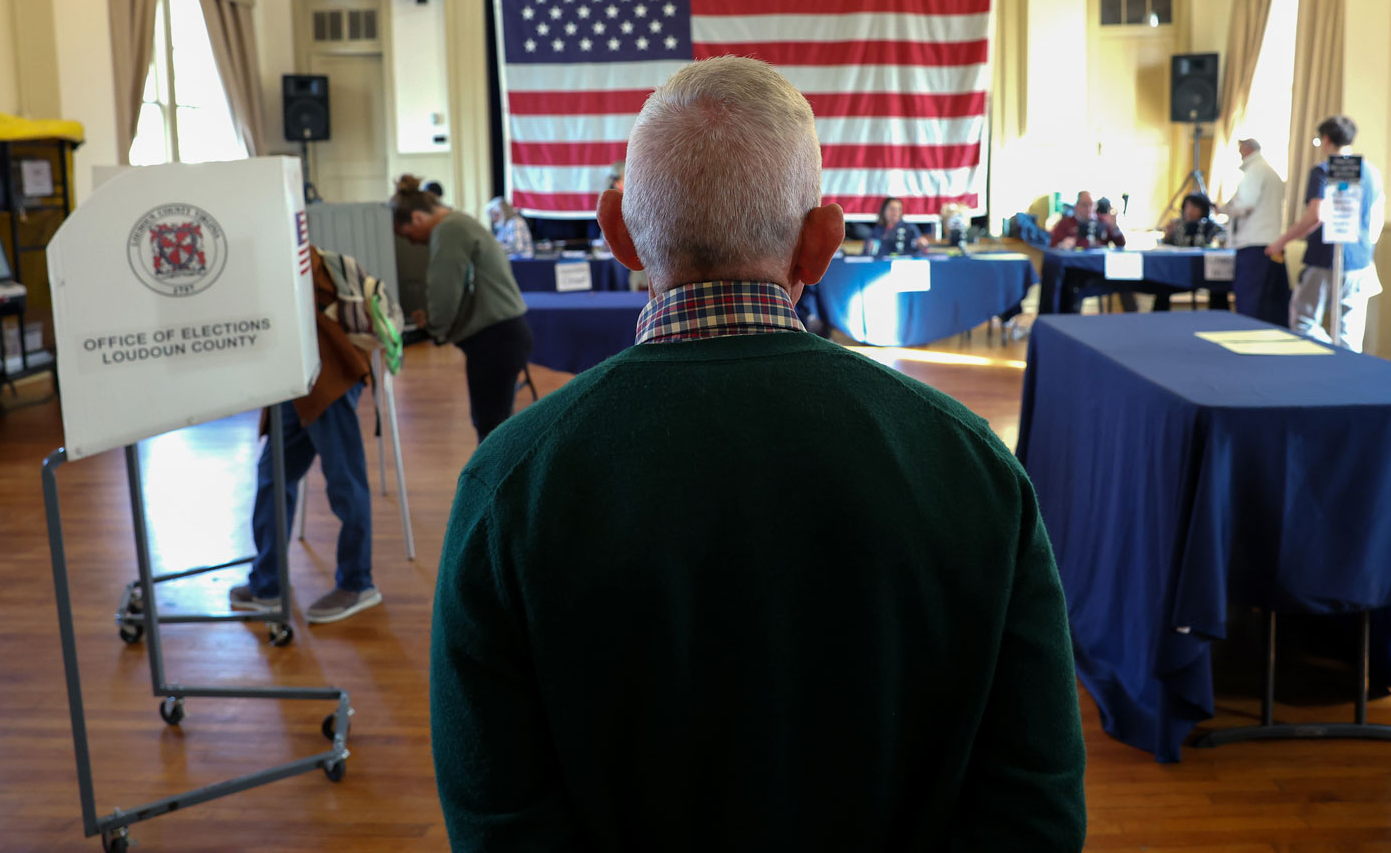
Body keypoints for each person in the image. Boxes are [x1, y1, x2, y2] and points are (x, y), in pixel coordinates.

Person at [429, 56, 1086, 851]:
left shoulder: (506, 486)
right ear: (820, 246)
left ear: (618, 233)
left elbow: (499, 822)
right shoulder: (973, 466)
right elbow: (1036, 804)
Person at [229, 245, 380, 625]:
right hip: (293, 383)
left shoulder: (291, 247)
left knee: (346, 485)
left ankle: (358, 582)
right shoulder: (266, 244)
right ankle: (267, 584)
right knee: (273, 479)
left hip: (329, 379)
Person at [390, 175, 532, 442]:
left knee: (491, 429)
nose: (412, 242)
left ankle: (493, 484)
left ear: (418, 218)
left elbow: (444, 288)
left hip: (495, 338)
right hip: (504, 334)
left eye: (408, 235)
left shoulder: (448, 229)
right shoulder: (459, 222)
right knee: (494, 423)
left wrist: (434, 326)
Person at [1267, 115, 1386, 351]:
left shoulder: (1324, 170)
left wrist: (1281, 241)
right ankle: (1346, 372)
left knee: (1303, 319)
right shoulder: (1371, 172)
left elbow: (1316, 215)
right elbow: (1377, 216)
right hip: (1360, 257)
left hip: (1325, 256)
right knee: (1349, 329)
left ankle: (1330, 357)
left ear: (1326, 139)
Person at [1221, 137, 1290, 325]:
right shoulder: (1269, 171)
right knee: (1269, 302)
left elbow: (1244, 204)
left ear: (1247, 149)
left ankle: (1246, 338)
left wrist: (1226, 208)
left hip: (1254, 244)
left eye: (1240, 149)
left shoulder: (1255, 171)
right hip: (1271, 243)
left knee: (1249, 300)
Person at [1154, 193, 1228, 311]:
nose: (1189, 211)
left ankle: (1219, 317)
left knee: (1219, 286)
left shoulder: (1214, 228)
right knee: (1161, 281)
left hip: (1205, 271)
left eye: (1194, 207)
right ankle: (1158, 317)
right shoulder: (1177, 225)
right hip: (1179, 271)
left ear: (1203, 209)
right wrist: (1167, 235)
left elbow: (1221, 245)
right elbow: (1165, 247)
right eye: (1187, 207)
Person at [1049, 191, 1126, 249]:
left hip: (1099, 265)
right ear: (1077, 206)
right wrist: (1062, 246)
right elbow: (1052, 247)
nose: (1089, 209)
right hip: (1074, 266)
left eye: (1091, 204)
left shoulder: (1103, 221)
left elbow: (1121, 244)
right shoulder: (1065, 223)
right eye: (1084, 205)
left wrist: (1114, 227)